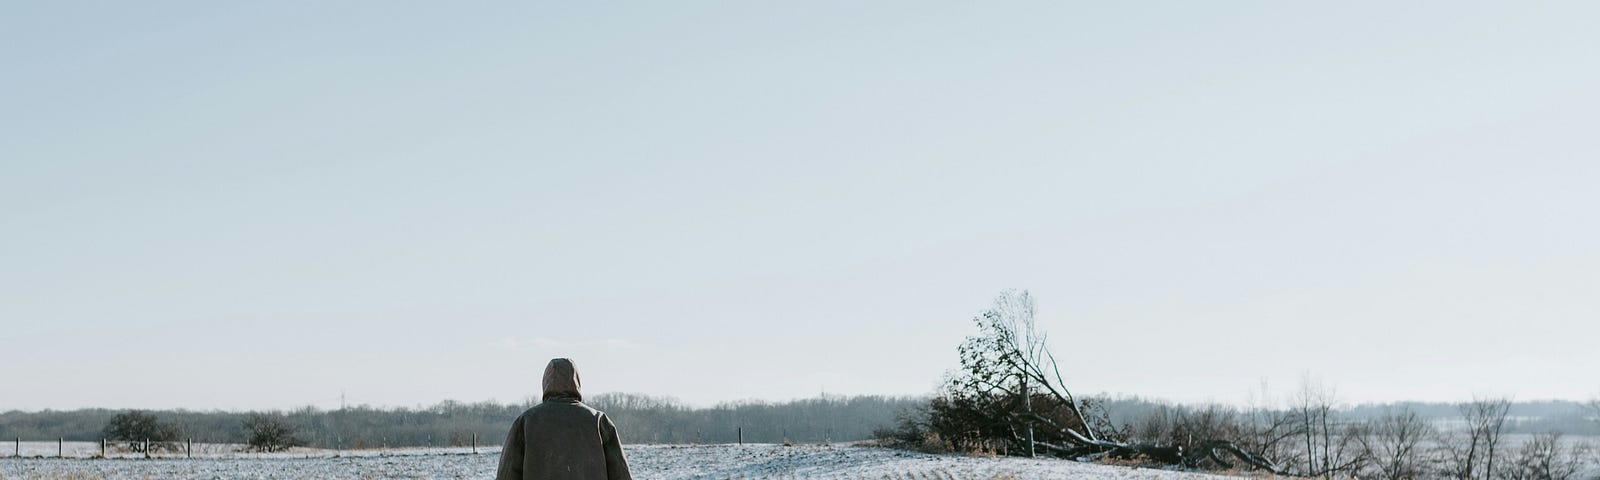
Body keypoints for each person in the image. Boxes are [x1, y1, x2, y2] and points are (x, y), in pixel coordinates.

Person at [496, 358, 632, 480]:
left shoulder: (526, 422)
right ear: (577, 382)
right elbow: (621, 473)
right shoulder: (598, 420)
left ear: (545, 383)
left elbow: (507, 473)